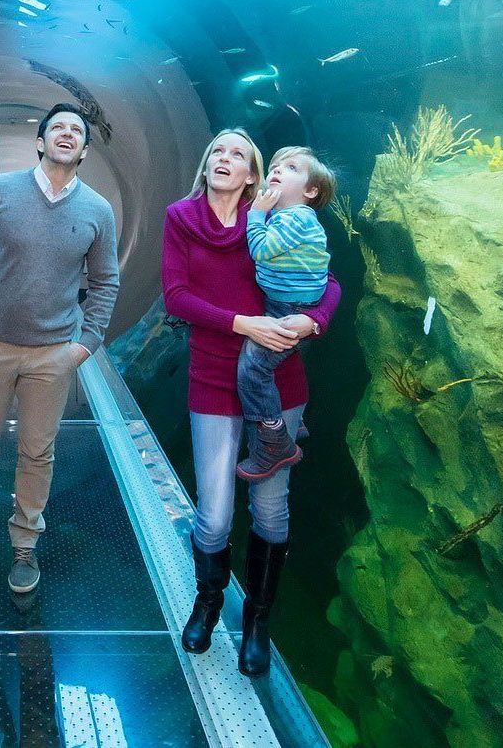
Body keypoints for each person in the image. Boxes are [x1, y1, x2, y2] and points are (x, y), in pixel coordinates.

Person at [162, 129, 341, 677]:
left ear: (253, 176)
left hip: (279, 378)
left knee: (270, 507)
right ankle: (209, 602)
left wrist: (313, 320)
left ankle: (259, 620)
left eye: (238, 154)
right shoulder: (181, 217)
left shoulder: (274, 215)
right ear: (206, 163)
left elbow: (325, 281)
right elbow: (176, 296)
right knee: (214, 518)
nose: (225, 157)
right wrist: (244, 324)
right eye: (217, 149)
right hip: (214, 378)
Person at [0, 104, 120, 594]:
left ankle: (25, 539)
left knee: (38, 451)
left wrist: (86, 344)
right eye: (58, 128)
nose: (67, 134)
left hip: (54, 353)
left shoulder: (98, 211)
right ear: (40, 142)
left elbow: (106, 282)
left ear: (84, 150)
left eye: (77, 131)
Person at [236, 146, 336, 480]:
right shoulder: (287, 218)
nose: (277, 170)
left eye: (291, 168)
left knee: (252, 369)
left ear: (311, 191)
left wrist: (255, 214)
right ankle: (296, 423)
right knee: (275, 362)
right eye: (275, 166)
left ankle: (275, 441)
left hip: (293, 309)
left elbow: (262, 250)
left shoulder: (296, 217)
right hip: (287, 304)